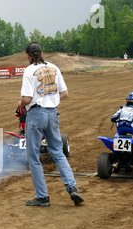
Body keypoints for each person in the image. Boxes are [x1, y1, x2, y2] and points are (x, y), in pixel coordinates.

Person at [20, 42, 84, 207]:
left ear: (28, 55)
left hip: (35, 114)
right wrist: (52, 99)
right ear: (42, 53)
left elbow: (26, 99)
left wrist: (21, 104)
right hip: (52, 113)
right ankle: (72, 187)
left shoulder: (29, 71)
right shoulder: (54, 67)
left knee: (33, 157)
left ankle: (42, 196)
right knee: (58, 152)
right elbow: (65, 93)